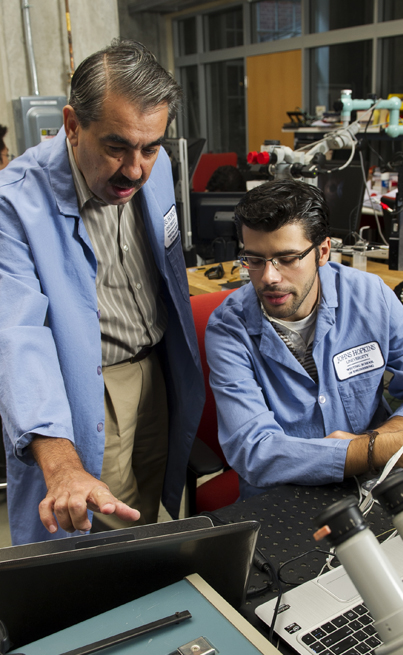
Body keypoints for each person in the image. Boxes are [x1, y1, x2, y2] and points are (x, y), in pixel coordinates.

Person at [0, 40, 204, 545]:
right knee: (103, 536)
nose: (135, 169)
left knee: (151, 514)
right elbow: (16, 335)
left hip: (157, 370)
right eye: (116, 146)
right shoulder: (14, 204)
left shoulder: (151, 172)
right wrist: (61, 460)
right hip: (90, 389)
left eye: (150, 147)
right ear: (72, 125)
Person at [204, 179, 403, 501]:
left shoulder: (369, 297)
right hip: (284, 496)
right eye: (255, 260)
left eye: (287, 258)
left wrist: (380, 442)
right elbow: (255, 452)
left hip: (375, 481)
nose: (268, 277)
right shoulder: (228, 328)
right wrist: (378, 450)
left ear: (322, 252)